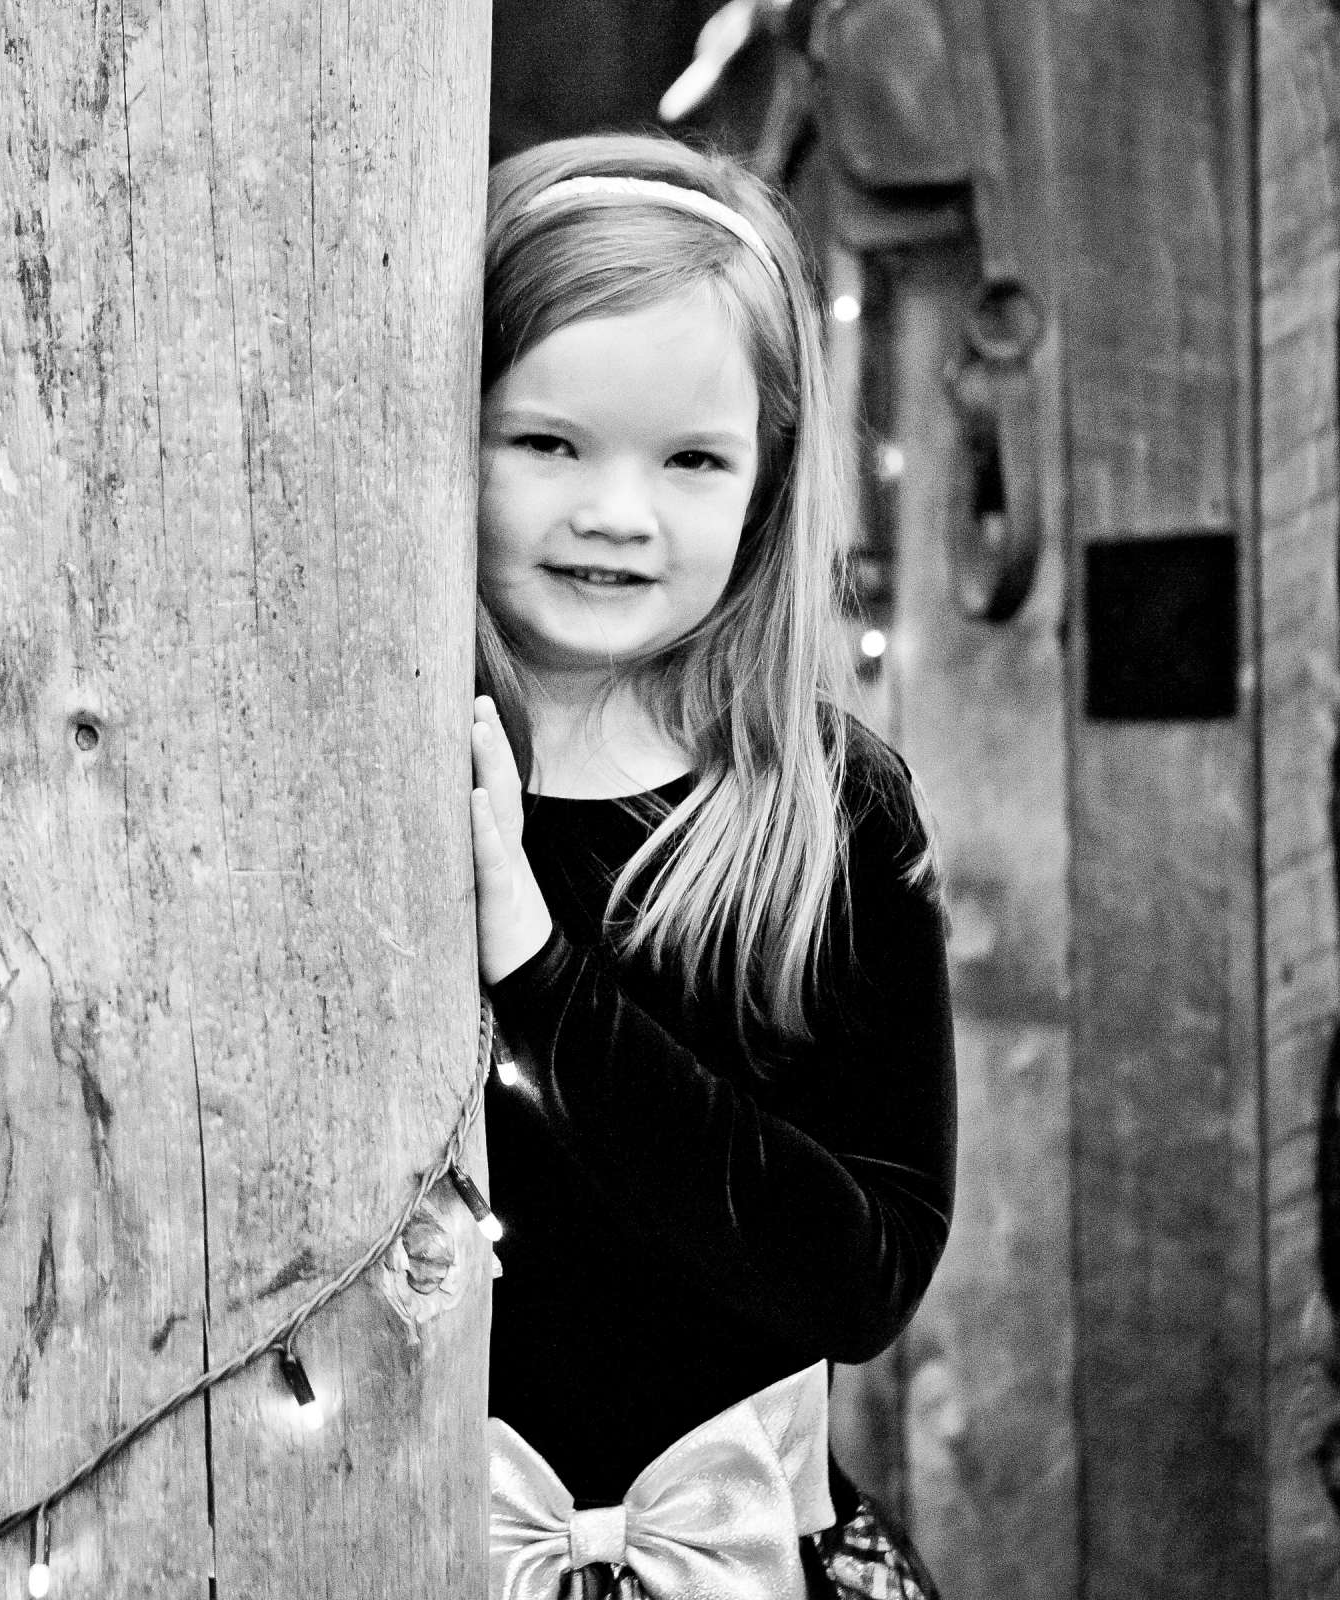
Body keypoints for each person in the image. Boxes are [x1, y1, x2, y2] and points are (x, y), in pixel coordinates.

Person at [465, 134, 955, 1600]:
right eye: (546, 442)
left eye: (690, 460)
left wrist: (537, 977)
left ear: (769, 478)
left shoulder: (829, 807)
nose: (618, 511)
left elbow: (864, 1274)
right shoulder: (352, 788)